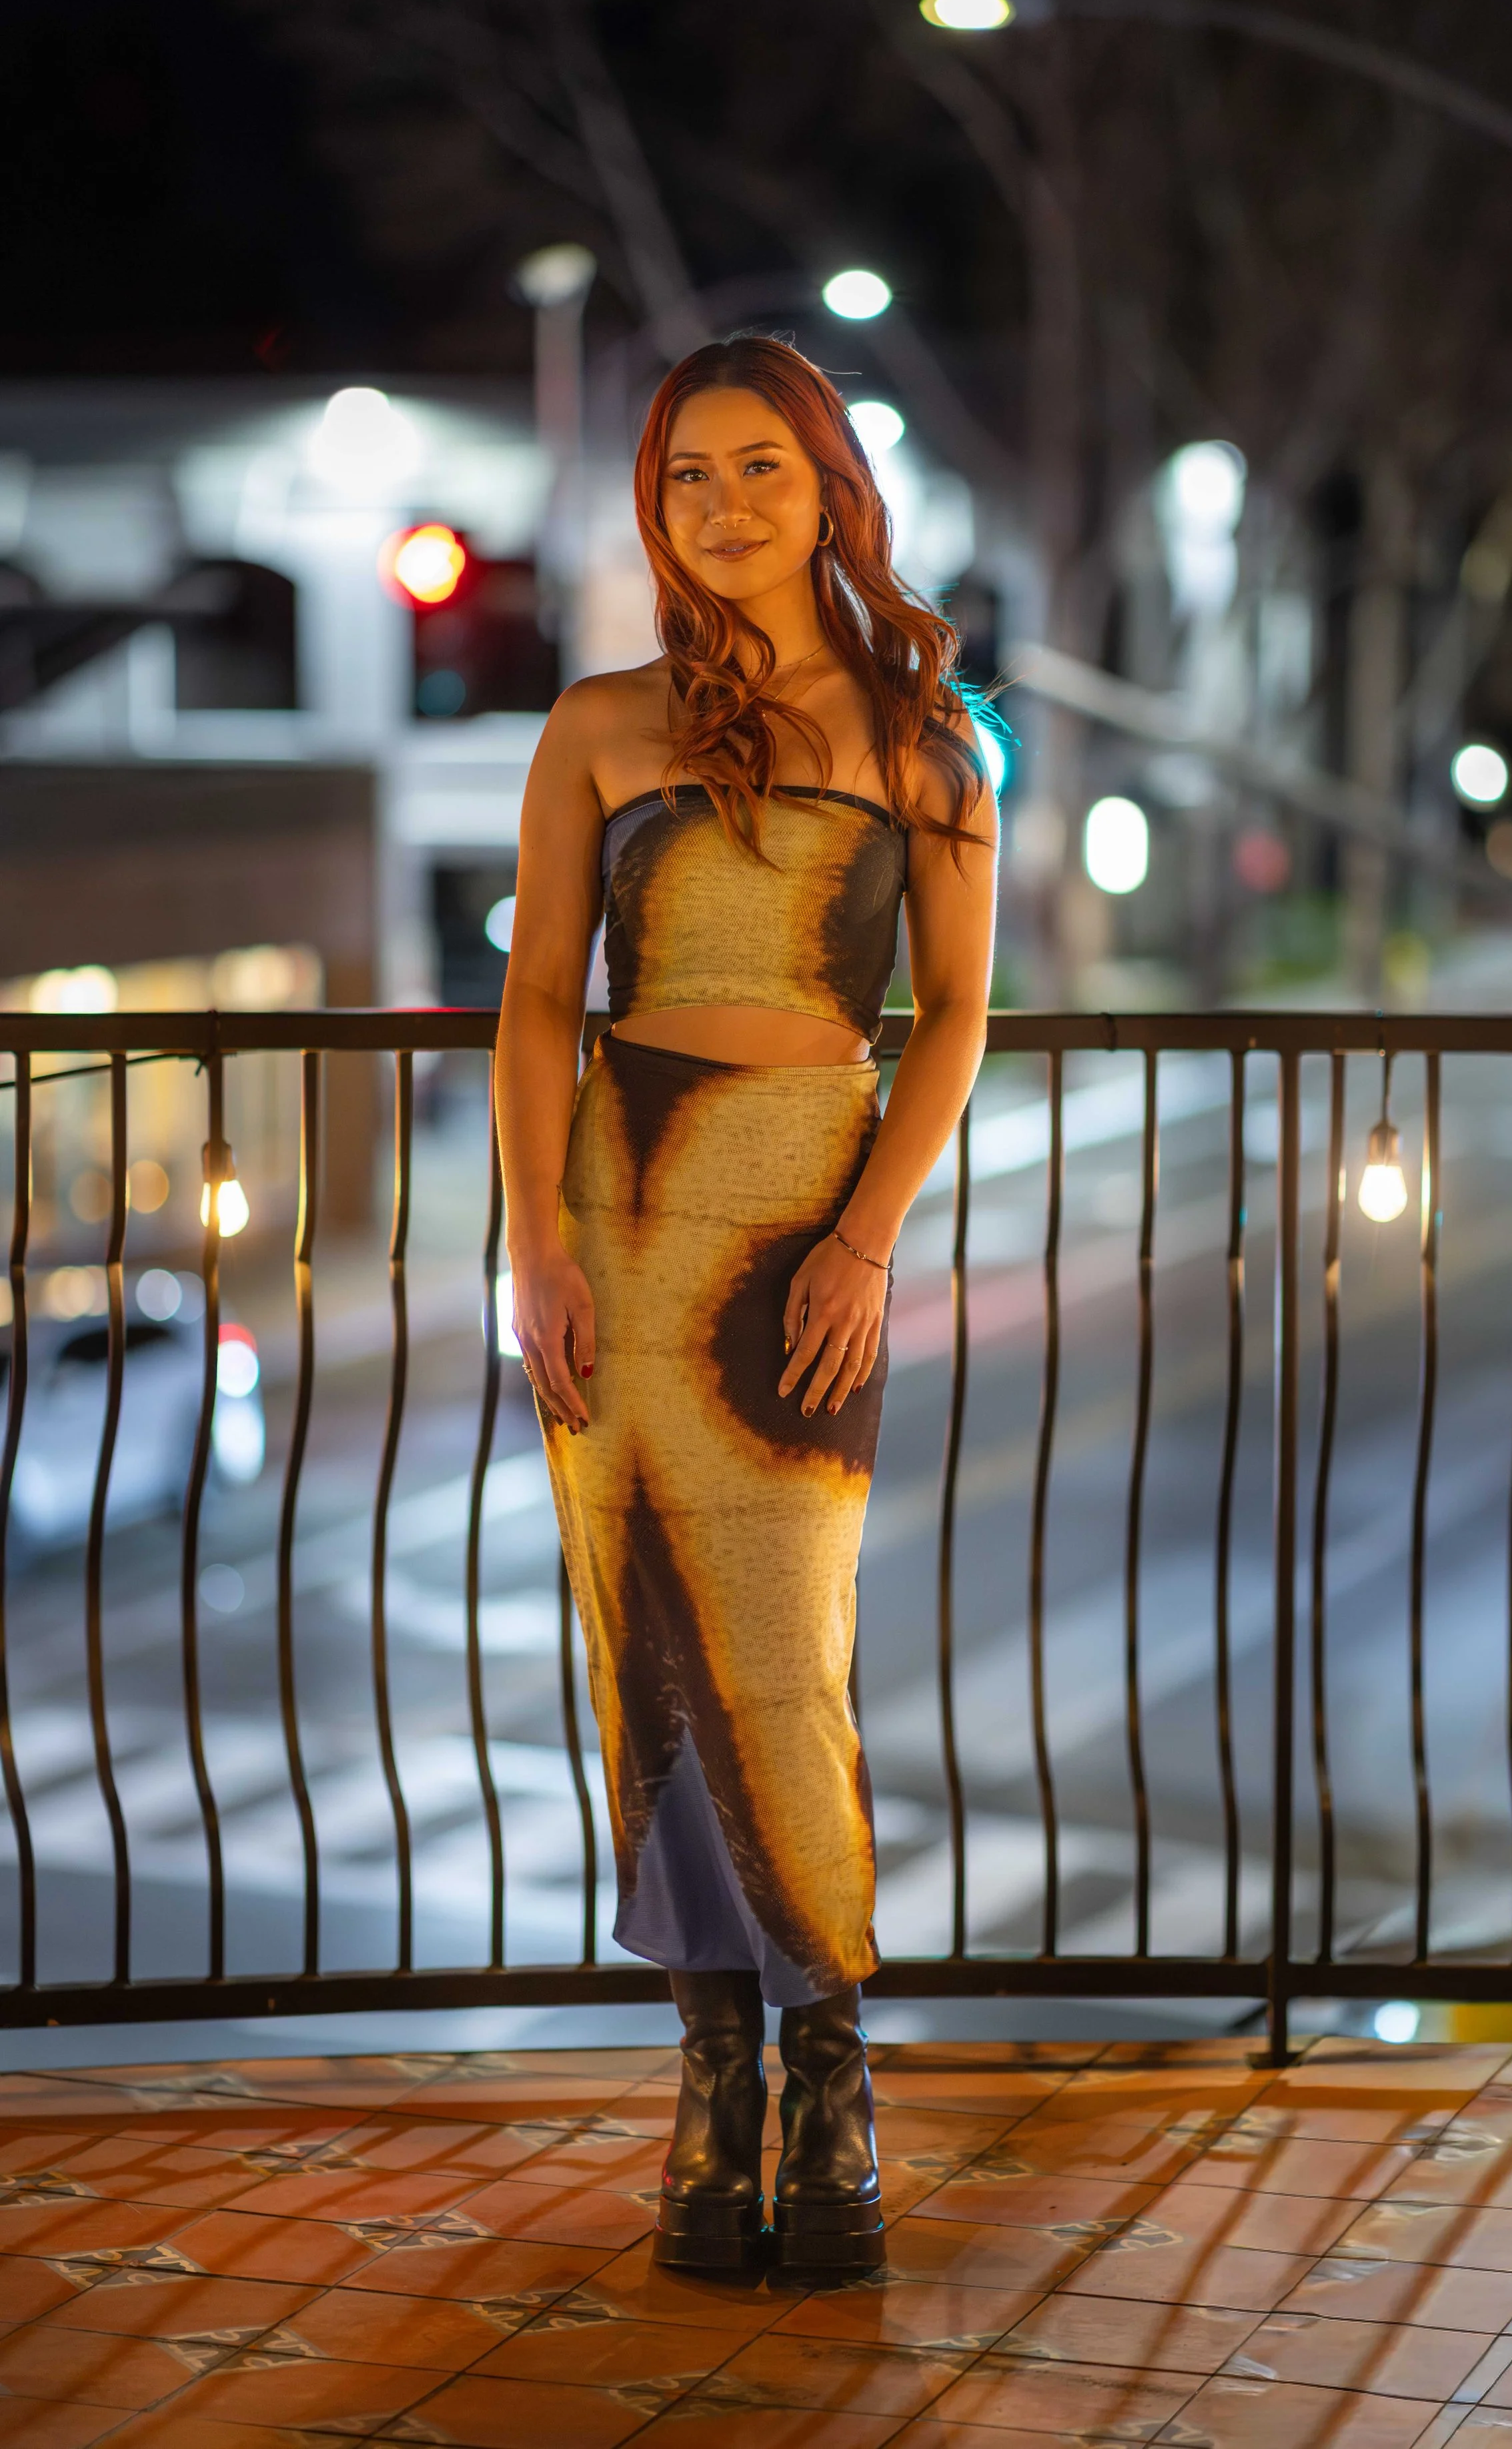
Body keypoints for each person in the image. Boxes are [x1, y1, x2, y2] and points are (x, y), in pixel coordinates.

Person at [496, 333, 996, 2276]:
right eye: (685, 476)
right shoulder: (598, 724)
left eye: (757, 468)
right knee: (644, 1655)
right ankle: (710, 2081)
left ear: (828, 487)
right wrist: (532, 1237)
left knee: (788, 1648)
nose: (720, 505)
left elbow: (950, 1014)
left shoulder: (922, 737)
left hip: (800, 1228)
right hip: (614, 1216)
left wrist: (867, 1235)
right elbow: (543, 997)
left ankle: (832, 2077)